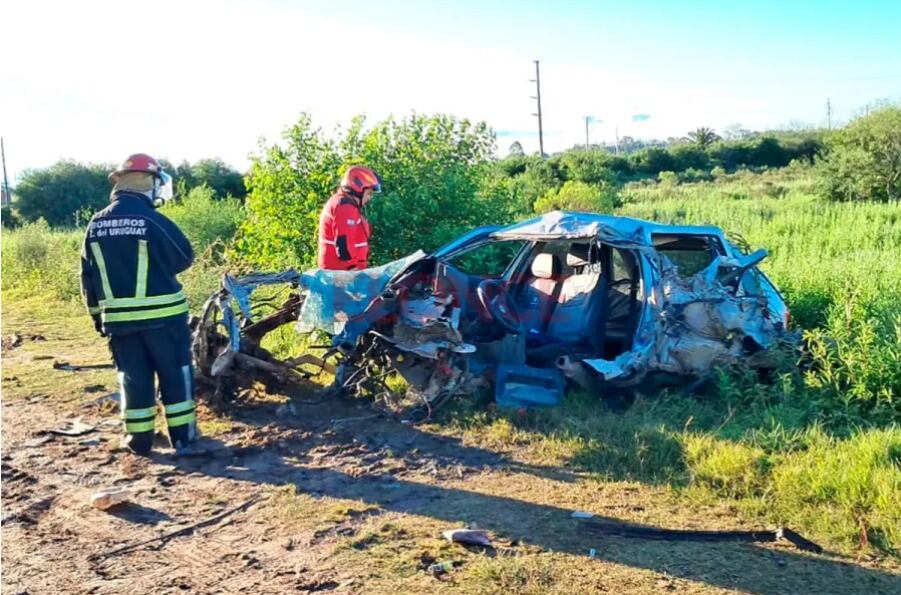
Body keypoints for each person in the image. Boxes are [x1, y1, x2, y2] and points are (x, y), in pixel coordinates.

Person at [80, 153, 197, 456]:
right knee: (175, 375)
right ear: (149, 183)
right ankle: (183, 439)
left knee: (133, 380)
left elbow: (88, 278)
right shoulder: (151, 220)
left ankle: (138, 441)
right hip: (165, 320)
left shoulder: (96, 224)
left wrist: (98, 318)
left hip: (119, 323)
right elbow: (184, 257)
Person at [317, 166, 381, 270]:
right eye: (369, 193)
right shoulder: (345, 207)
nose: (370, 198)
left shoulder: (344, 203)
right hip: (342, 271)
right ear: (358, 190)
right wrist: (352, 267)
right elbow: (344, 244)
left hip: (343, 270)